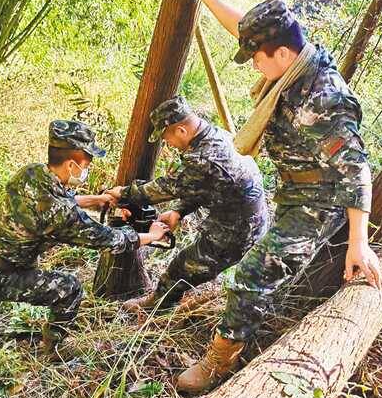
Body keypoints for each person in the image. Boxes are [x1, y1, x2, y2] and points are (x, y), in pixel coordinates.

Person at [170, 0, 382, 394]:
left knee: (253, 271)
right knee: (270, 272)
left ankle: (220, 360)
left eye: (256, 58)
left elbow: (355, 168)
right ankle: (252, 327)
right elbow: (244, 29)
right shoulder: (292, 59)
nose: (252, 64)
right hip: (292, 190)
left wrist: (359, 242)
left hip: (320, 200)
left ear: (281, 55)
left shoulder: (325, 97)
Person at [0, 120, 169, 345]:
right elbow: (109, 239)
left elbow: (61, 200)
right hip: (0, 274)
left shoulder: (32, 173)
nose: (87, 169)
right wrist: (152, 236)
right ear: (72, 165)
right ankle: (52, 347)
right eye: (87, 163)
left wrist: (98, 200)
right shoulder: (60, 214)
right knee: (70, 289)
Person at [106, 96, 269, 313]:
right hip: (250, 218)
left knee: (182, 267)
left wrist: (125, 193)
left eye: (167, 138)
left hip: (238, 231)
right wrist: (179, 211)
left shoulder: (203, 158)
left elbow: (166, 188)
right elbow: (205, 185)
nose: (169, 145)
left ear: (181, 130)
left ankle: (156, 307)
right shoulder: (216, 134)